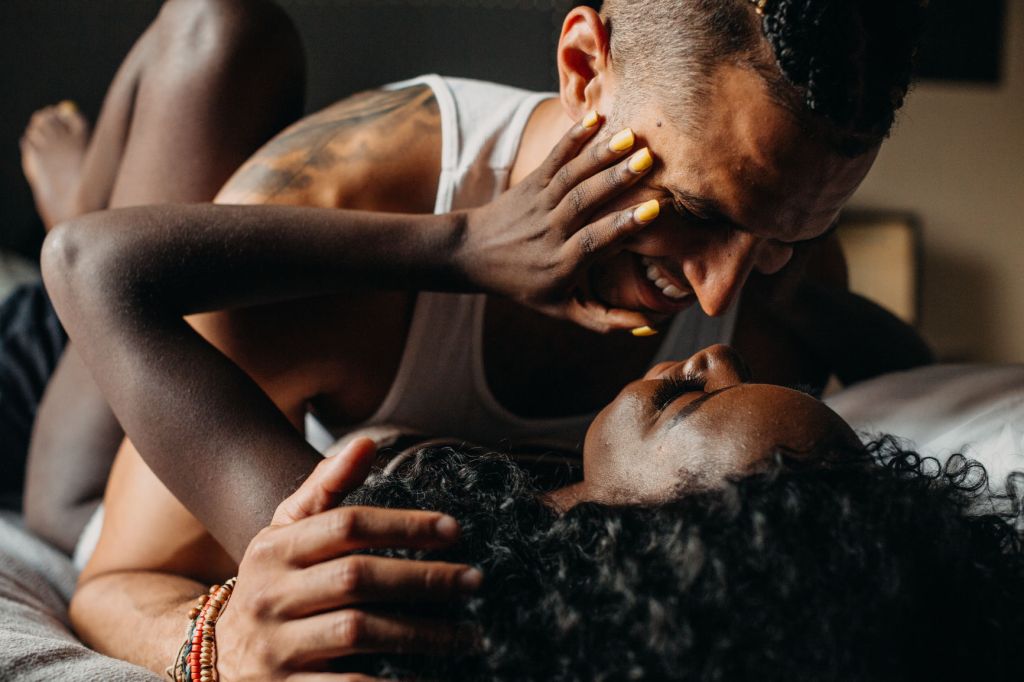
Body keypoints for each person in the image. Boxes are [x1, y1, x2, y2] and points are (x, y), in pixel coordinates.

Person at [14, 0, 306, 552]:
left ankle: (77, 228)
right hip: (76, 319)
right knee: (215, 24)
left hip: (76, 313)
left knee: (215, 23)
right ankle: (78, 230)